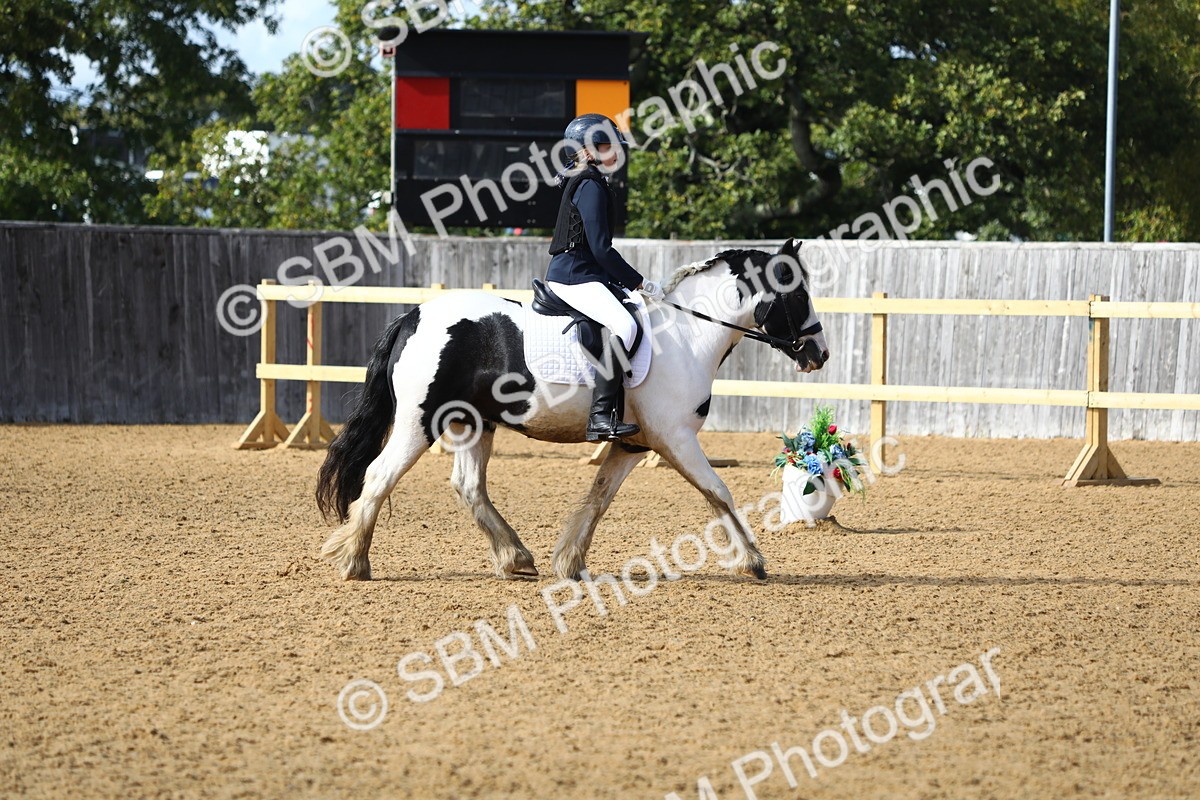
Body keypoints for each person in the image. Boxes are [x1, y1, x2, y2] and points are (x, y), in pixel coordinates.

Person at [544, 114, 663, 442]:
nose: (617, 152)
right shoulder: (591, 184)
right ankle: (599, 417)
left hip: (582, 273)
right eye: (609, 144)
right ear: (589, 148)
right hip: (575, 276)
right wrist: (638, 281)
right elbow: (600, 249)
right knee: (626, 327)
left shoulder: (585, 178)